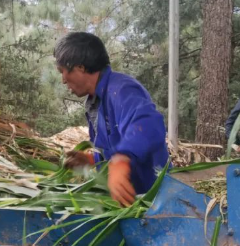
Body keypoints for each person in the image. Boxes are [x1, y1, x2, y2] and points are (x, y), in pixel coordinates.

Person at [55, 32, 169, 207]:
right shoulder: (96, 102)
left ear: (80, 67)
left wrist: (121, 161)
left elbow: (148, 124)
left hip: (156, 199)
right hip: (130, 202)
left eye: (62, 71)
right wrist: (92, 159)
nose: (63, 80)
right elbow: (114, 146)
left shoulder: (121, 89)